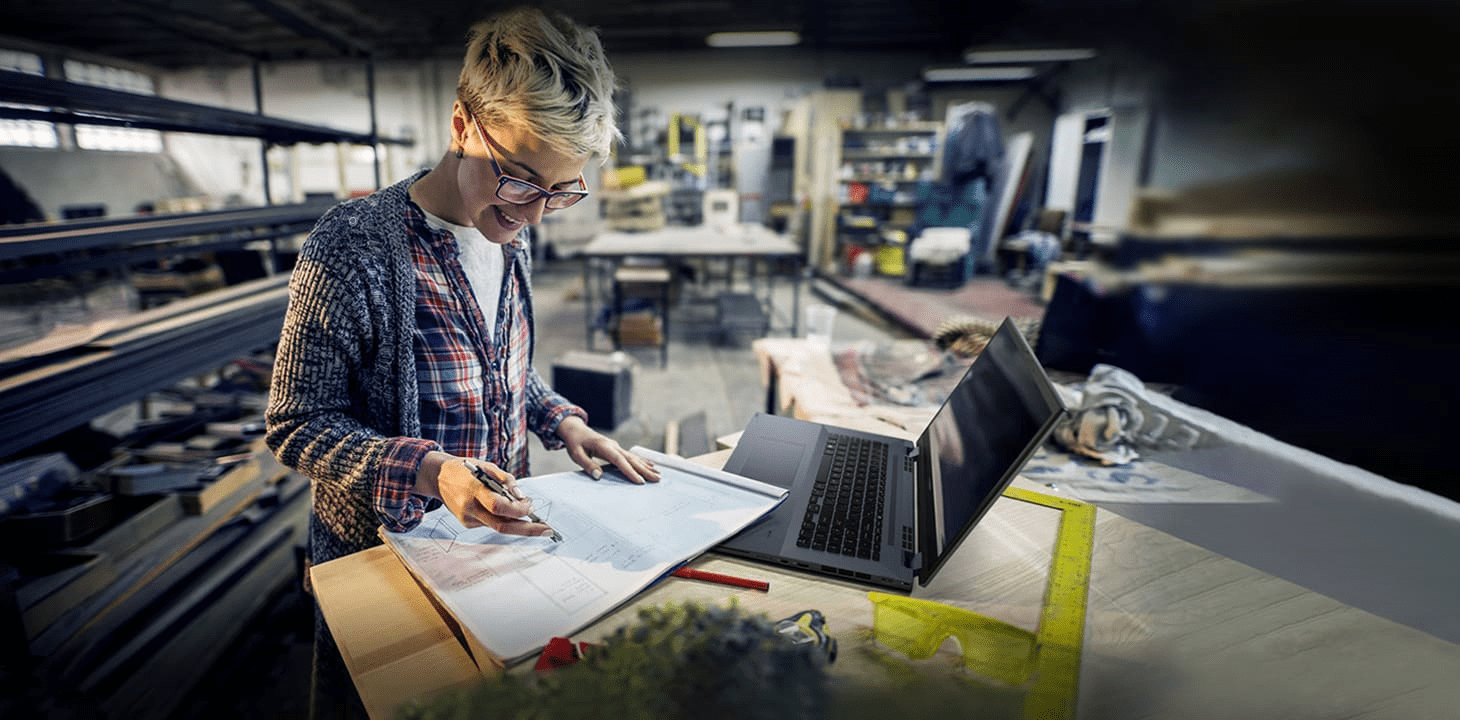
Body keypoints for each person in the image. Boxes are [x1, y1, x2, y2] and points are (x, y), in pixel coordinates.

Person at [264, 7, 658, 717]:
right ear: (461, 125)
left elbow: (496, 366)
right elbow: (296, 423)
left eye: (560, 190)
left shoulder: (509, 232)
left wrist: (561, 418)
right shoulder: (351, 248)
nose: (535, 214)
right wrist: (431, 470)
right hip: (388, 566)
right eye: (520, 180)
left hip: (501, 558)